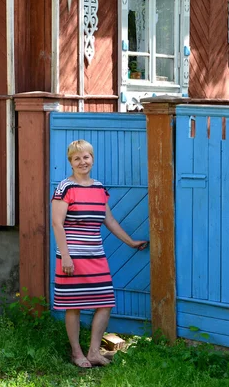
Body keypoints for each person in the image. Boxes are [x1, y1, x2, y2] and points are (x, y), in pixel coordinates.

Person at [51, 139, 148, 368]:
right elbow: (57, 223)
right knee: (73, 305)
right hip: (72, 257)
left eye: (86, 157)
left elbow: (109, 220)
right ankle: (77, 353)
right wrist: (65, 256)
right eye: (77, 158)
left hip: (96, 256)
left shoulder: (99, 188)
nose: (82, 162)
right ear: (71, 163)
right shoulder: (65, 188)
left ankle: (94, 351)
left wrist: (130, 241)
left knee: (105, 302)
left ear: (92, 159)